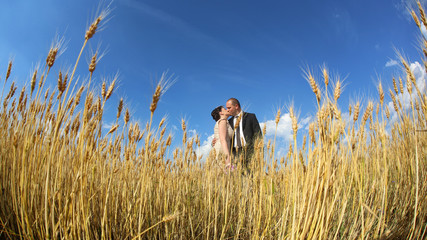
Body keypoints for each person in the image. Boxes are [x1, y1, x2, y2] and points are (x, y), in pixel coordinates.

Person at [226, 98, 262, 168]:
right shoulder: (228, 122)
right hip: (235, 152)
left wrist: (259, 151)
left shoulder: (251, 117)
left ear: (236, 106)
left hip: (250, 150)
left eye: (229, 108)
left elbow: (258, 134)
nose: (227, 110)